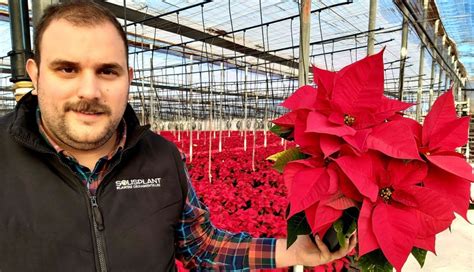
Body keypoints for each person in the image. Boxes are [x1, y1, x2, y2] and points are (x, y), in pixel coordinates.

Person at [0, 1, 356, 271]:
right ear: (35, 73)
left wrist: (292, 250)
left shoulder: (163, 157)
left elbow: (202, 246)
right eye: (67, 69)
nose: (89, 90)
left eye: (108, 71)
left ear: (129, 76)